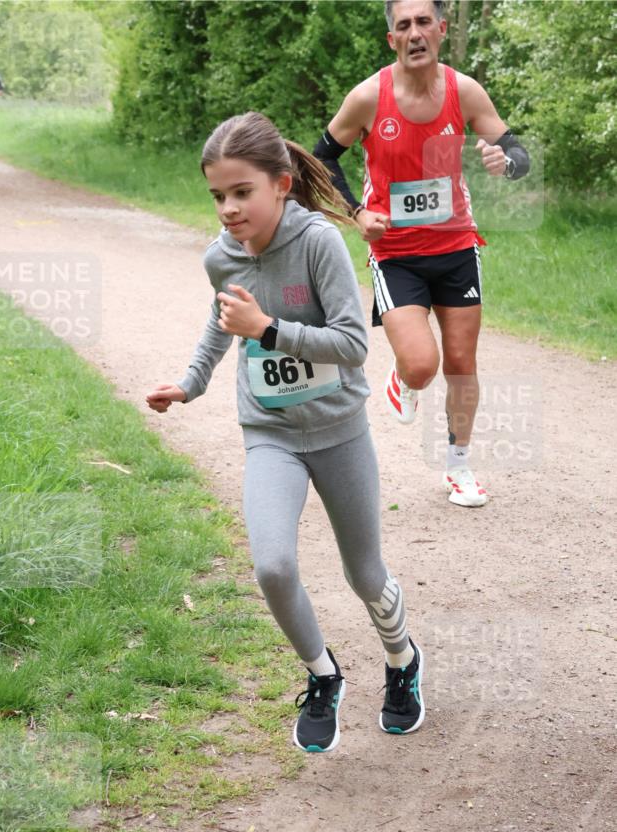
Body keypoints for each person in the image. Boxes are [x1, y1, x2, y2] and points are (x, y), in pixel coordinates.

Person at [146, 111, 424, 752]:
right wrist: (191, 382)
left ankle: (402, 662)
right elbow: (225, 319)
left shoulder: (318, 242)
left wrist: (268, 329)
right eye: (218, 195)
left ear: (280, 183)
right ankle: (323, 675)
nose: (228, 209)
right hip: (268, 430)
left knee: (364, 573)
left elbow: (353, 345)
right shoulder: (220, 256)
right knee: (272, 565)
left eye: (241, 192)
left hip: (338, 429)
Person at [313, 0, 530, 508]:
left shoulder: (464, 91)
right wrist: (355, 214)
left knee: (460, 361)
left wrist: (506, 164)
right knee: (421, 365)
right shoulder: (368, 97)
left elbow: (515, 151)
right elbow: (322, 158)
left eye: (423, 22)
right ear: (392, 39)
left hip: (456, 246)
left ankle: (459, 467)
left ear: (440, 30)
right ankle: (403, 379)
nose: (414, 33)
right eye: (403, 25)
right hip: (396, 254)